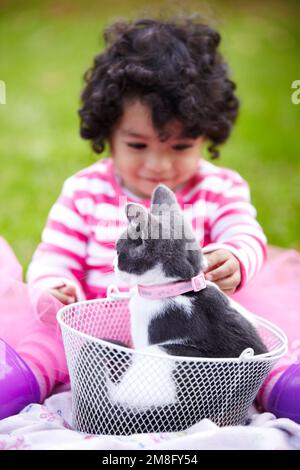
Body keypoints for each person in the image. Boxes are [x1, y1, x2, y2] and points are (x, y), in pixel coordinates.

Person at [3, 15, 298, 421]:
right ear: (107, 132)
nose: (158, 164)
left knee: (248, 346)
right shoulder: (85, 192)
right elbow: (54, 254)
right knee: (46, 342)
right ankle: (20, 379)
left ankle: (281, 384)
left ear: (207, 136)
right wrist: (52, 285)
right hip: (94, 334)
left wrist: (233, 256)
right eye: (138, 144)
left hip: (193, 339)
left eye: (180, 146)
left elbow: (244, 232)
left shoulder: (219, 189)